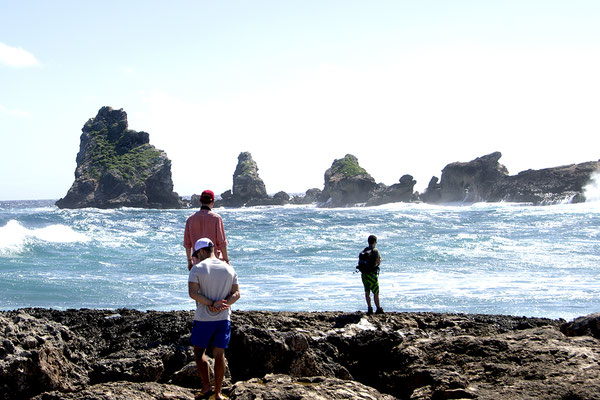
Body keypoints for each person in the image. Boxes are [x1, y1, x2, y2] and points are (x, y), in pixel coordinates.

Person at [188, 237, 240, 400]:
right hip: (224, 318)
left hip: (204, 318)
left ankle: (206, 386)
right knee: (219, 354)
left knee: (199, 352)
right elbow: (236, 293)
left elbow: (193, 293)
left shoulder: (197, 269)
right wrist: (224, 304)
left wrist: (212, 303)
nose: (197, 256)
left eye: (197, 253)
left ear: (202, 251)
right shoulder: (229, 268)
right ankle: (218, 393)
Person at [184, 190, 229, 271]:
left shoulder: (190, 219)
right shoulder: (216, 218)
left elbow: (187, 244)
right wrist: (227, 260)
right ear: (213, 202)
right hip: (215, 263)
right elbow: (221, 242)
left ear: (200, 201)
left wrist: (189, 261)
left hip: (198, 263)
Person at [360, 235, 383, 315]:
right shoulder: (375, 250)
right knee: (375, 292)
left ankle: (369, 308)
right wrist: (380, 261)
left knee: (367, 291)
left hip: (364, 274)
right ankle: (378, 308)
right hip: (372, 274)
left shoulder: (364, 250)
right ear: (374, 242)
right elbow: (378, 261)